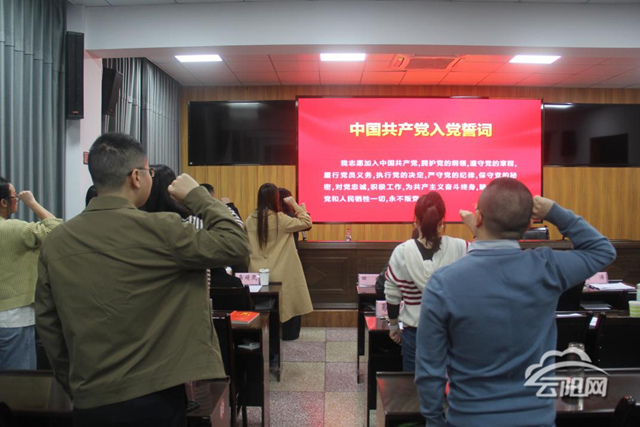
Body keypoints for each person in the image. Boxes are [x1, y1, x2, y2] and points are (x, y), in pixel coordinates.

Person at [35, 133, 249, 427]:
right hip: (156, 395)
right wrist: (197, 195)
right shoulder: (162, 229)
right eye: (149, 172)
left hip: (90, 399)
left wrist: (75, 383)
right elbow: (236, 244)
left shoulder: (56, 241)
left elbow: (48, 323)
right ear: (136, 177)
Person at [414, 178, 616, 427]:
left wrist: (434, 420)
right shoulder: (547, 268)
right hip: (537, 420)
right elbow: (602, 250)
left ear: (478, 218)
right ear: (530, 224)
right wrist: (554, 212)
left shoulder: (443, 282)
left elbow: (429, 369)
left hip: (469, 419)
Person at [383, 192, 468, 372]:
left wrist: (393, 326)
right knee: (451, 383)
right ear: (442, 221)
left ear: (415, 220)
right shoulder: (460, 247)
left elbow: (392, 295)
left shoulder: (401, 252)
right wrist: (474, 227)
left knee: (414, 385)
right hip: (452, 333)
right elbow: (487, 255)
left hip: (415, 334)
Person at [0, 177, 62, 370]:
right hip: (13, 318)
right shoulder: (15, 229)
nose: (17, 200)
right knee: (17, 382)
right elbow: (56, 229)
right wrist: (32, 202)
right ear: (3, 202)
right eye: (15, 197)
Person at [245, 183, 313, 340]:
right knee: (287, 304)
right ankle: (288, 336)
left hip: (257, 271)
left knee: (262, 307)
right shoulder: (280, 219)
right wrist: (294, 204)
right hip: (281, 271)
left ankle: (265, 337)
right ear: (275, 199)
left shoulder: (250, 220)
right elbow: (307, 222)